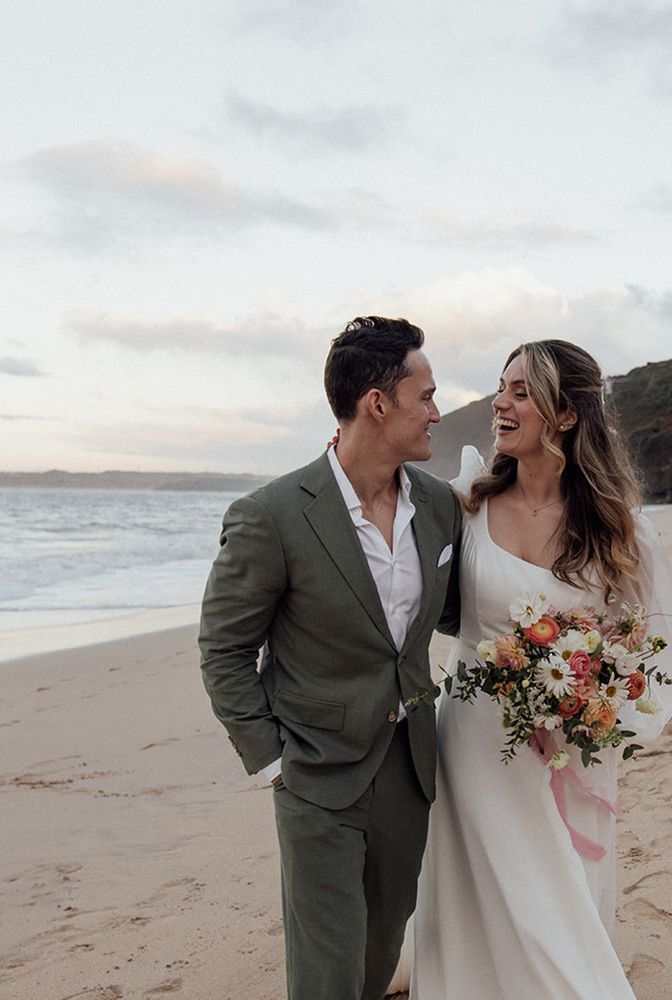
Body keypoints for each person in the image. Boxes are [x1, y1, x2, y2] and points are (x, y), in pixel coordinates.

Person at [198, 316, 462, 1000]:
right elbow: (225, 648)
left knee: (377, 956)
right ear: (378, 404)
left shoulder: (438, 507)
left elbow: (460, 612)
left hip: (409, 768)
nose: (438, 412)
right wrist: (273, 759)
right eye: (426, 396)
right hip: (314, 772)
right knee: (330, 967)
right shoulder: (272, 515)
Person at [410, 340, 672, 999]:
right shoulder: (466, 507)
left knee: (552, 906)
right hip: (472, 737)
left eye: (522, 392)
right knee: (479, 900)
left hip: (568, 751)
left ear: (565, 416)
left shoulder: (621, 533)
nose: (501, 403)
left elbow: (647, 655)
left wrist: (587, 712)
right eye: (502, 388)